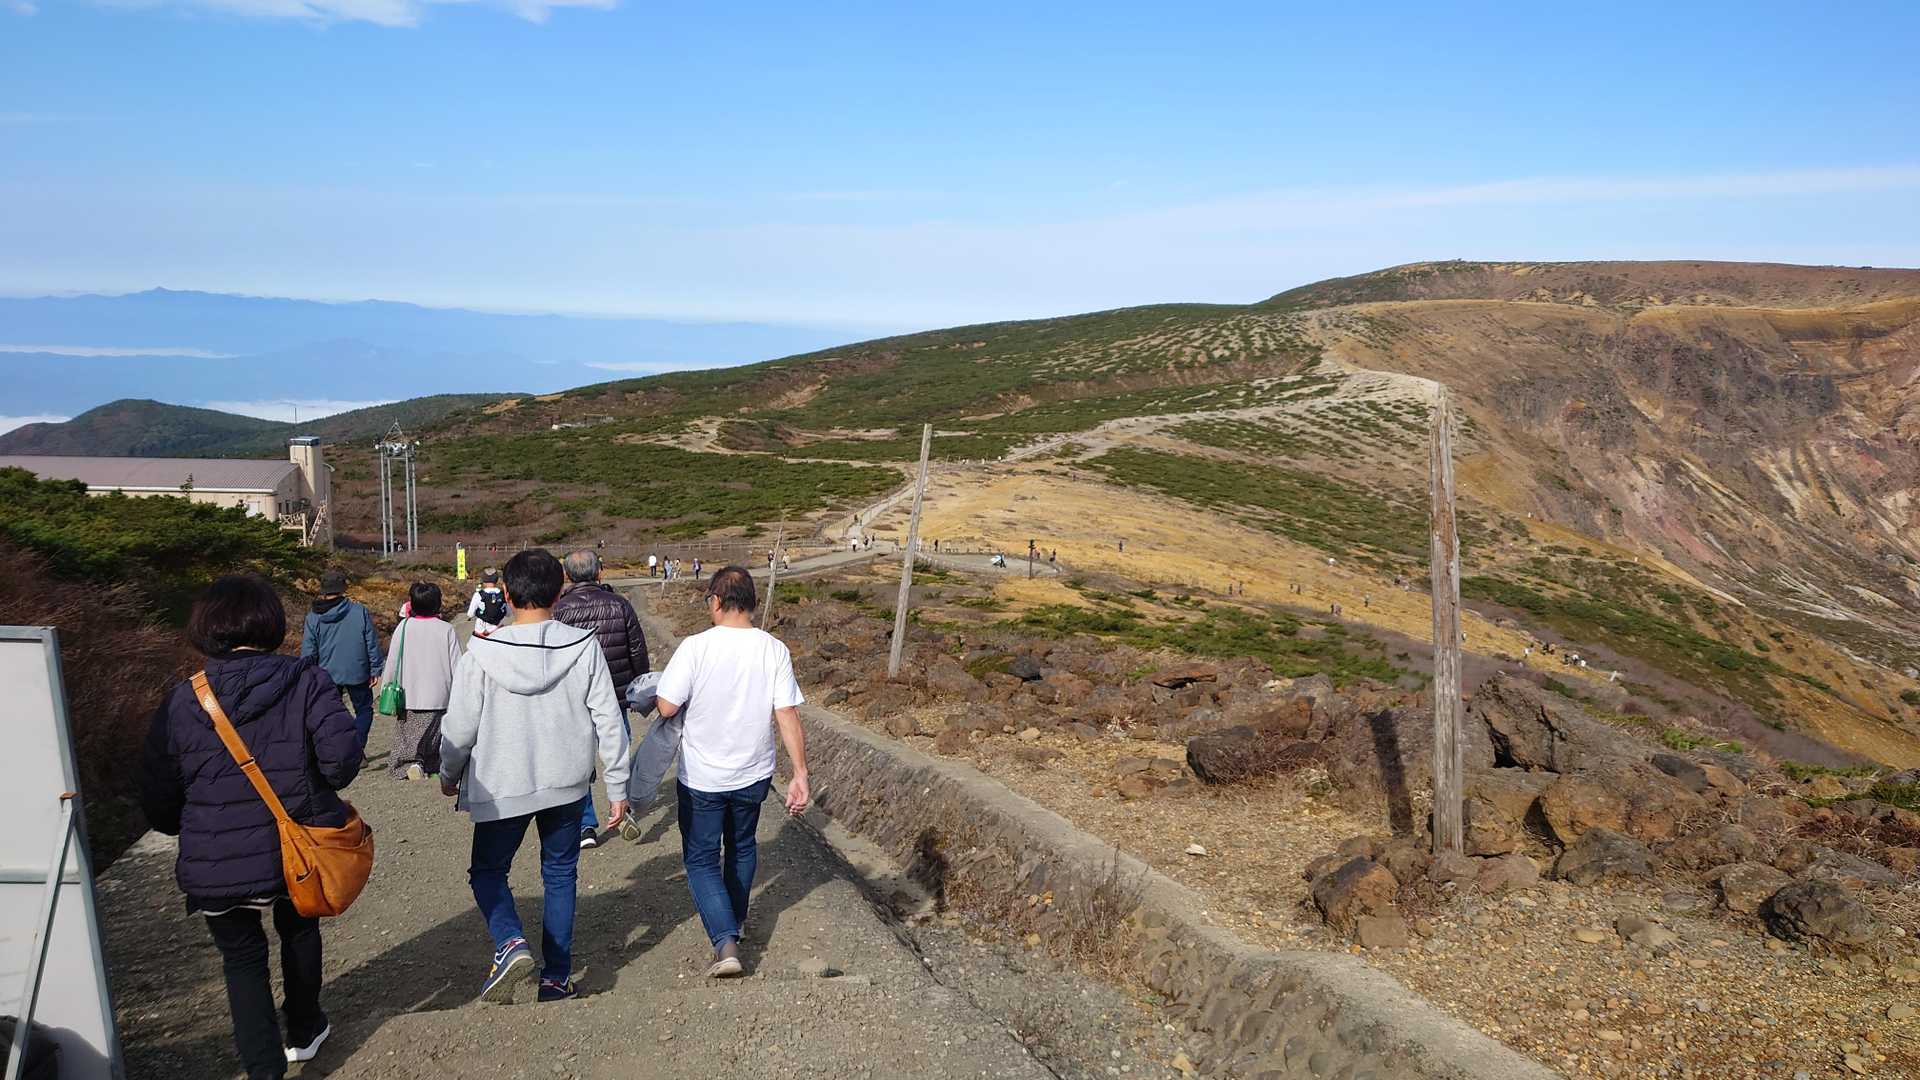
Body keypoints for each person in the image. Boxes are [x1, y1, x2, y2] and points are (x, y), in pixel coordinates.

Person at [140, 575, 362, 1079]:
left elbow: (157, 791)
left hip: (216, 860)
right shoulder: (306, 680)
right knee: (299, 929)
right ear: (271, 623)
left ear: (206, 627)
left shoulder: (182, 699)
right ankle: (304, 1028)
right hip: (296, 845)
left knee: (241, 961)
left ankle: (264, 1069)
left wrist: (189, 829)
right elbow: (340, 763)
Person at [439, 548, 631, 1004]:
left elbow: (459, 729)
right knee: (560, 874)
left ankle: (510, 942)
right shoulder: (583, 646)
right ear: (559, 591)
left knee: (488, 872)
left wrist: (449, 773)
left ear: (505, 594)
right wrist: (618, 786)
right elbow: (609, 719)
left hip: (501, 785)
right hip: (566, 782)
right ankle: (556, 978)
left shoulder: (481, 652)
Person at [655, 565, 810, 978]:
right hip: (753, 773)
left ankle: (725, 943)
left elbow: (666, 707)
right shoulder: (774, 649)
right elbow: (787, 713)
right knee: (741, 847)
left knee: (701, 858)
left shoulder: (695, 647)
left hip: (702, 777)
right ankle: (736, 921)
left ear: (716, 601)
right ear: (753, 603)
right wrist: (800, 773)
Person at [553, 549, 650, 848]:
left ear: (567, 576)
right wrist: (639, 686)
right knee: (618, 751)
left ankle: (585, 826)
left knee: (580, 760)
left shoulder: (560, 610)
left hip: (575, 698)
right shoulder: (619, 604)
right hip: (616, 695)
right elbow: (637, 649)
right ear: (599, 572)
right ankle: (622, 806)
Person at [377, 582, 463, 780]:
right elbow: (457, 665)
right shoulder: (446, 629)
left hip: (408, 694)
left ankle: (413, 764)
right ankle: (431, 765)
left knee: (409, 737)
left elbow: (392, 660)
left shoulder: (404, 627)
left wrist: (385, 685)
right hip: (439, 695)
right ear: (438, 603)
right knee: (435, 736)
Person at [300, 569, 383, 748]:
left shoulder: (313, 617)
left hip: (326, 673)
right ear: (343, 588)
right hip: (357, 670)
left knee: (331, 713)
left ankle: (340, 749)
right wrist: (375, 668)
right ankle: (357, 747)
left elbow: (308, 650)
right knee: (364, 710)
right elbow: (371, 642)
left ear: (323, 590)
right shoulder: (359, 611)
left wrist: (307, 675)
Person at [466, 569, 509, 638]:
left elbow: (470, 614)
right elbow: (508, 613)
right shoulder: (502, 595)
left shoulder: (478, 595)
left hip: (481, 631)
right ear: (497, 580)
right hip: (497, 630)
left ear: (483, 580)